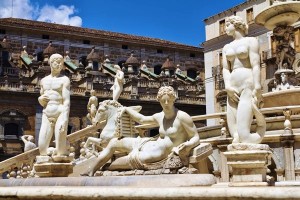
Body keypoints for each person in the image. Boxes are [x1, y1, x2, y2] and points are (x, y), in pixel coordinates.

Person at [82, 86, 200, 176]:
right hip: (148, 143)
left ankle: (106, 170)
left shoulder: (182, 117)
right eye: (163, 101)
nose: (166, 103)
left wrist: (189, 144)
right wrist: (126, 109)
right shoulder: (160, 116)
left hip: (157, 154)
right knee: (113, 142)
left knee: (119, 164)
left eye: (169, 100)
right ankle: (91, 170)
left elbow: (195, 137)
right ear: (159, 101)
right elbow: (142, 119)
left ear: (174, 99)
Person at [222, 16, 266, 144]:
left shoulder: (251, 41)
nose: (225, 29)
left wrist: (257, 86)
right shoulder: (226, 47)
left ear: (235, 25)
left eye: (227, 25)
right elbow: (225, 69)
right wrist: (227, 87)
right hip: (232, 87)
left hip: (247, 84)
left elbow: (256, 64)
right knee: (234, 133)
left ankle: (261, 127)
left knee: (243, 134)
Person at [38, 53, 71, 156]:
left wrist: (65, 118)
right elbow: (42, 99)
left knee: (60, 151)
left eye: (62, 63)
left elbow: (66, 100)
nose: (60, 65)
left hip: (59, 112)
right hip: (46, 113)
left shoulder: (64, 79)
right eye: (58, 62)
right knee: (42, 149)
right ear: (51, 63)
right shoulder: (43, 81)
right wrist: (40, 99)